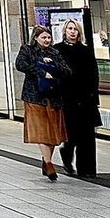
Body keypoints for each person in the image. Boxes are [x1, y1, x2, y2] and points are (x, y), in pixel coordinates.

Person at [16, 24, 71, 181]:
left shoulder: (55, 52)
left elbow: (67, 71)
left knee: (53, 132)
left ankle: (46, 162)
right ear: (36, 38)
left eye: (48, 37)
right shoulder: (27, 50)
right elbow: (20, 65)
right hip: (34, 96)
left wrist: (52, 66)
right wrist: (41, 69)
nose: (47, 40)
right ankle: (48, 163)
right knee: (41, 130)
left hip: (53, 97)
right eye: (43, 37)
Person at [55, 20, 99, 178]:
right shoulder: (58, 50)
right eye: (70, 29)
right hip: (68, 98)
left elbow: (94, 74)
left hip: (86, 98)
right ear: (65, 31)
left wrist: (93, 94)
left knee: (87, 136)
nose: (72, 32)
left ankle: (87, 169)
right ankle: (66, 154)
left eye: (75, 29)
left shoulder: (86, 50)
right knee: (72, 134)